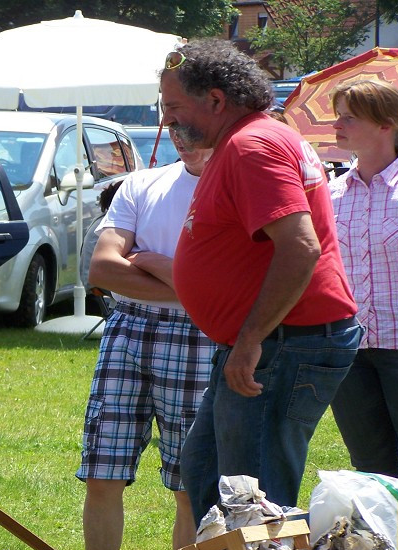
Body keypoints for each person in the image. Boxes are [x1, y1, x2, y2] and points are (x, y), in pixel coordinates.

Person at [161, 39, 362, 524]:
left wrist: (251, 338)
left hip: (280, 345)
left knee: (254, 504)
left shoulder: (252, 145)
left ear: (215, 100)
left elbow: (300, 247)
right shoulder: (253, 138)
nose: (166, 120)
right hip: (268, 343)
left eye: (172, 106)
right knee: (207, 470)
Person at [77, 128, 214, 550]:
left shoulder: (233, 187)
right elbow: (102, 269)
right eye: (173, 125)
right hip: (130, 326)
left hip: (203, 336)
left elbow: (227, 291)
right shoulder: (141, 184)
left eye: (191, 127)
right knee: (102, 470)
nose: (181, 137)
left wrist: (150, 261)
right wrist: (190, 288)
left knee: (191, 481)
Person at [328, 79, 398, 485]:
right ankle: (392, 549)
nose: (338, 125)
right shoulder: (333, 193)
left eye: (348, 118)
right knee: (372, 473)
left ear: (386, 125)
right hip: (351, 351)